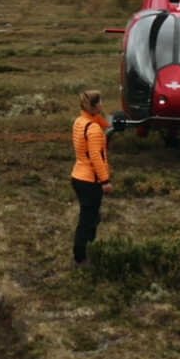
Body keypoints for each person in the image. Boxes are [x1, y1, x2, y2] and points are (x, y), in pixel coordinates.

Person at [70, 89, 112, 267]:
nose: (103, 104)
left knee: (91, 215)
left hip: (77, 176)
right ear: (94, 106)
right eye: (100, 102)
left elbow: (104, 125)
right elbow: (97, 157)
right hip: (90, 181)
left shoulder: (81, 121)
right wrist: (105, 181)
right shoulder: (93, 128)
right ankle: (80, 257)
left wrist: (100, 115)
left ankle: (89, 246)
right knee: (87, 220)